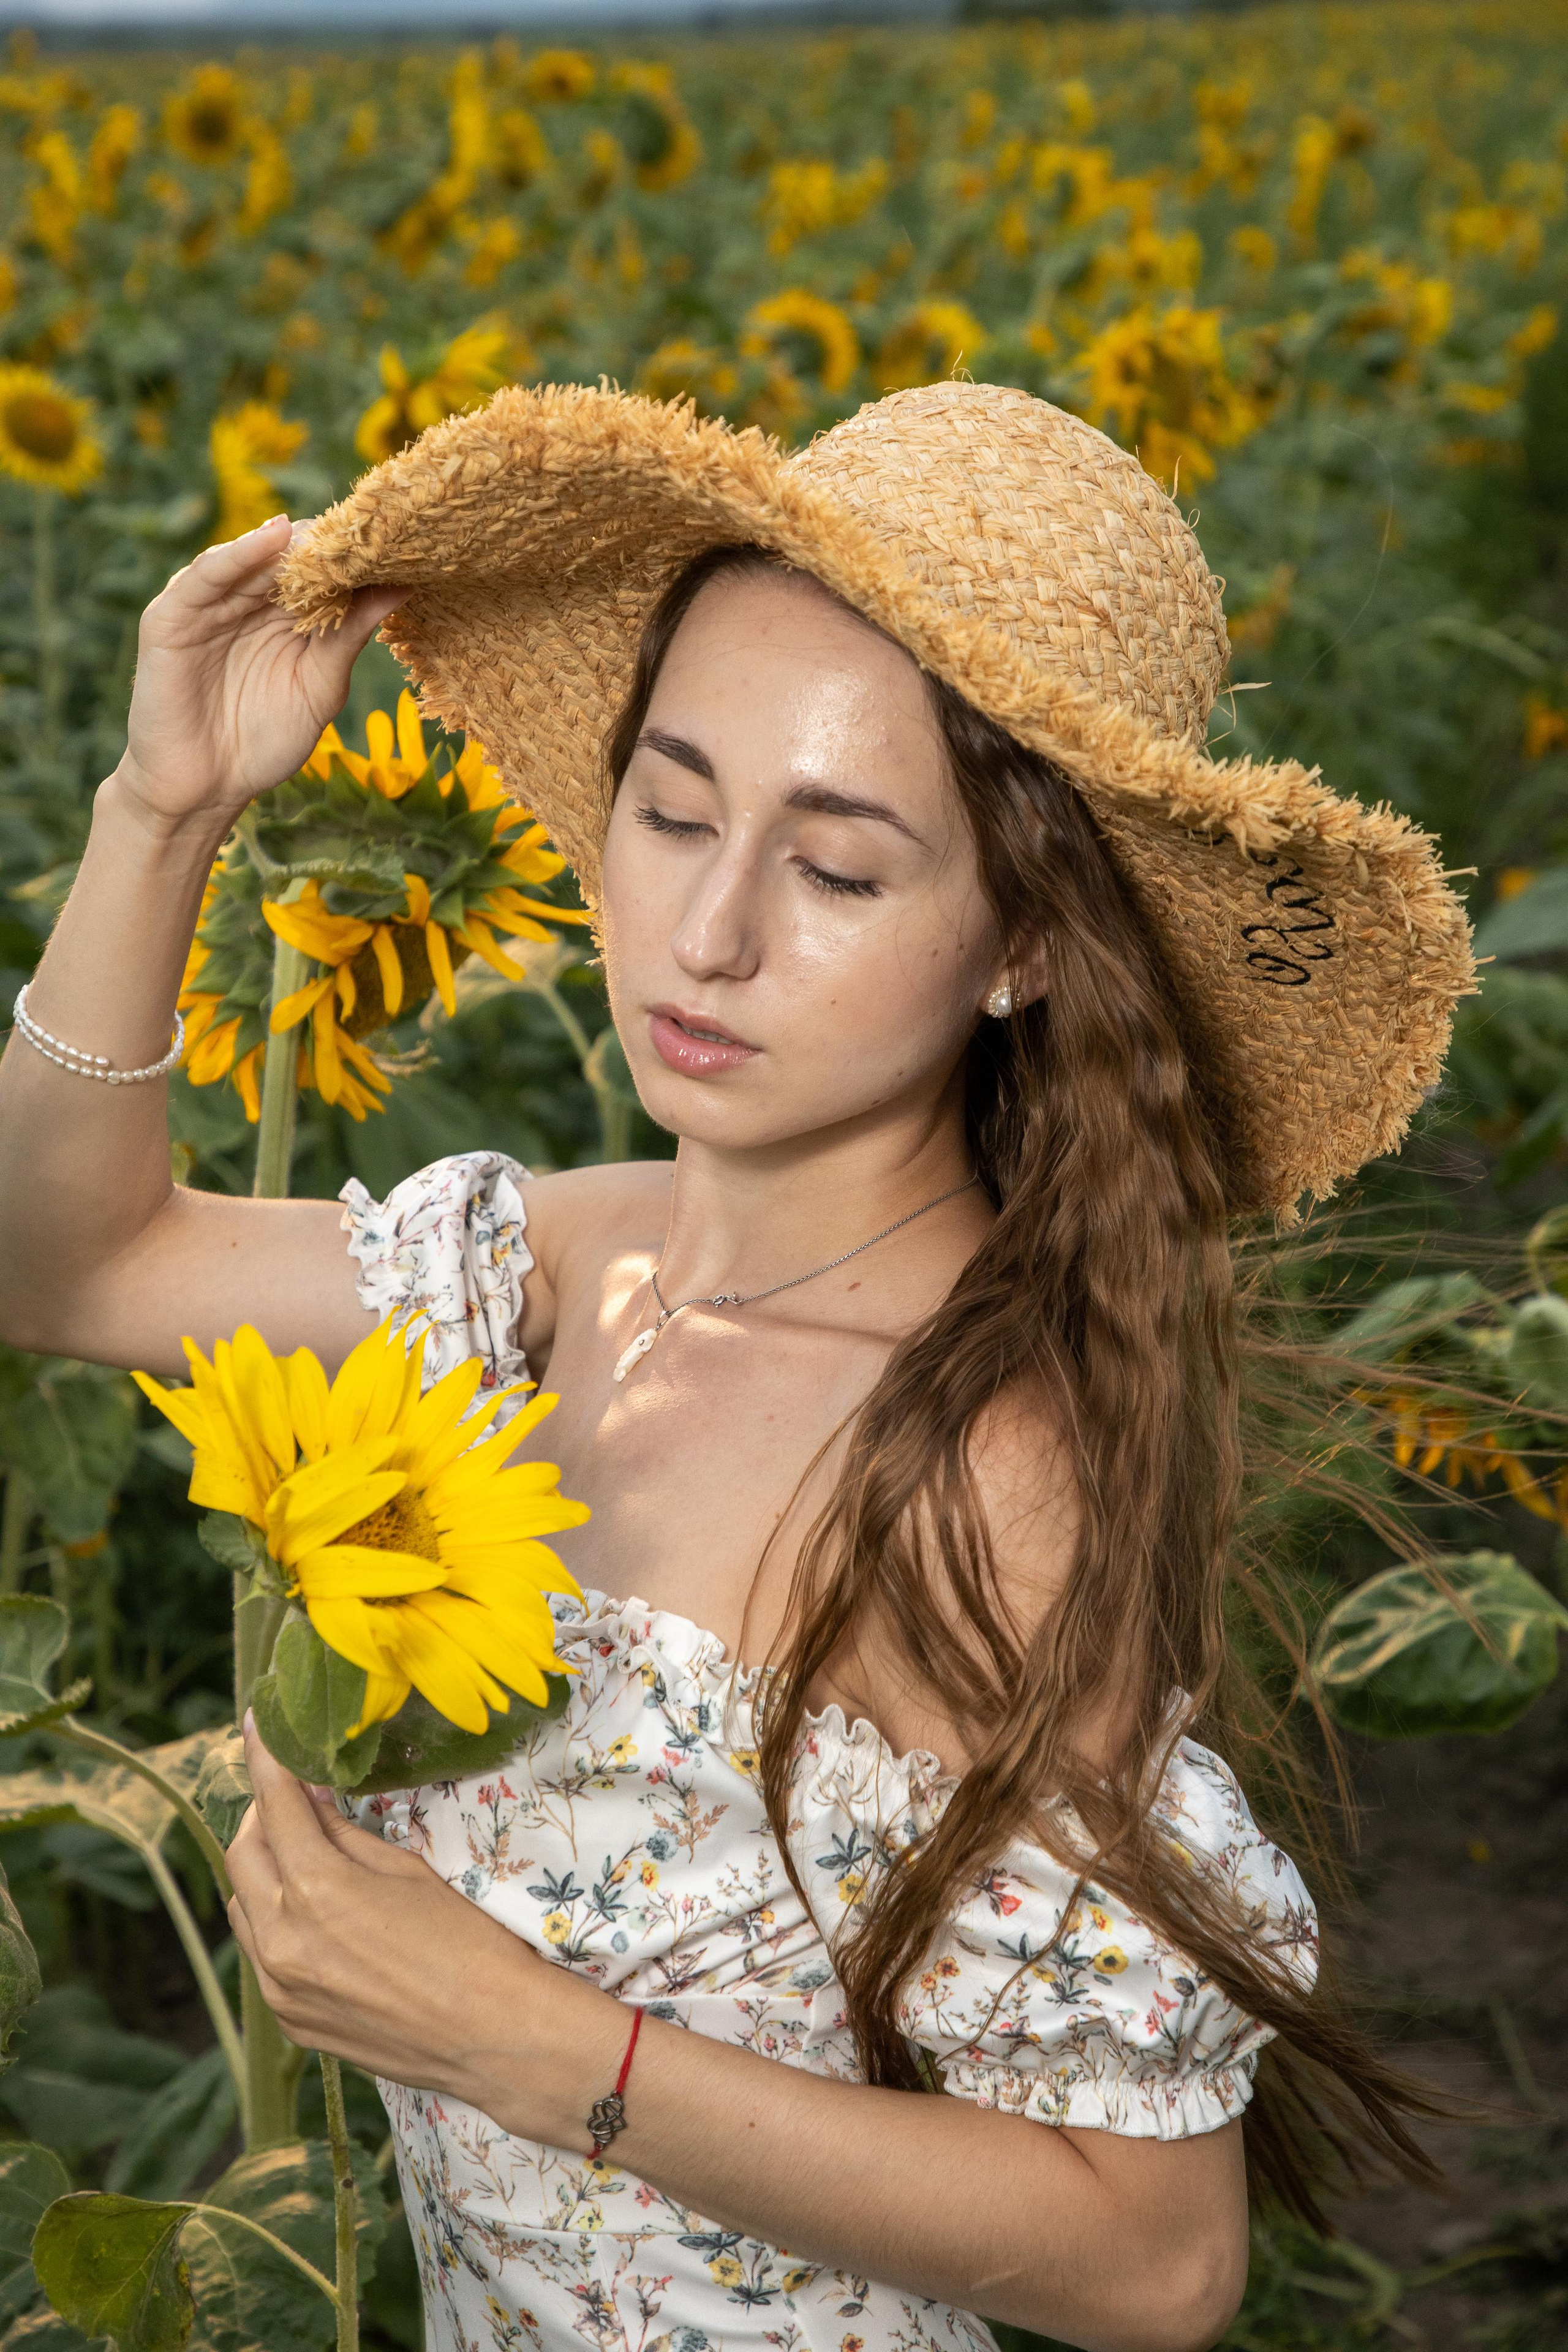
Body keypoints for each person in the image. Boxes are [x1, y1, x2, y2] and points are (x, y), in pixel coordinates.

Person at [0, 380, 1472, 2352]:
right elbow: (64, 1261)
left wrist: (531, 2046)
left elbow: (1158, 2259)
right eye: (674, 809)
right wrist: (162, 807)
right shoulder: (543, 1269)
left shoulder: (978, 1463)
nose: (703, 931)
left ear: (1024, 941)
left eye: (839, 869)